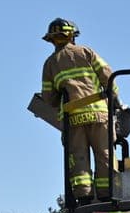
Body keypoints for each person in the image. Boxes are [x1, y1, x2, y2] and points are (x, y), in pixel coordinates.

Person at [40, 18, 118, 202]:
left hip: (72, 119)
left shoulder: (50, 64)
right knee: (105, 155)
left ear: (51, 39)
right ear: (72, 35)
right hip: (99, 114)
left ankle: (84, 197)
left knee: (78, 158)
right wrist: (116, 100)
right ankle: (108, 194)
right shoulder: (86, 52)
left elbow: (49, 99)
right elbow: (108, 77)